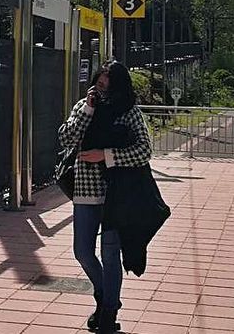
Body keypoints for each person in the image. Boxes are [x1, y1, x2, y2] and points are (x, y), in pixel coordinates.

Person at [58, 61, 153, 333]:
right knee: (82, 252)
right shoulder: (84, 105)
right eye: (100, 80)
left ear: (119, 85)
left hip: (117, 194)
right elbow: (65, 139)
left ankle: (108, 313)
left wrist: (107, 156)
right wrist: (87, 109)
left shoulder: (129, 111)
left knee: (111, 255)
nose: (102, 86)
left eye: (108, 83)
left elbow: (144, 151)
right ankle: (104, 295)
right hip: (85, 191)